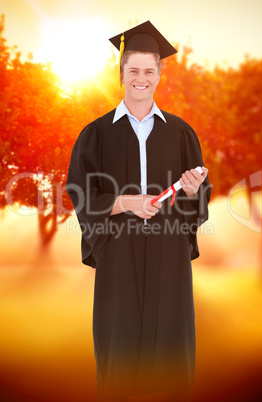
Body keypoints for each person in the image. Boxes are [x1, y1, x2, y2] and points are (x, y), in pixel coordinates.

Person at [66, 21, 211, 402]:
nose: (141, 79)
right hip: (118, 253)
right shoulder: (96, 134)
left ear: (160, 74)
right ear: (121, 74)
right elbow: (79, 192)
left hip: (168, 254)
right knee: (120, 354)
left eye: (150, 70)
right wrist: (122, 203)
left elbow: (198, 203)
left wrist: (193, 191)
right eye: (134, 71)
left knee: (171, 360)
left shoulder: (181, 133)